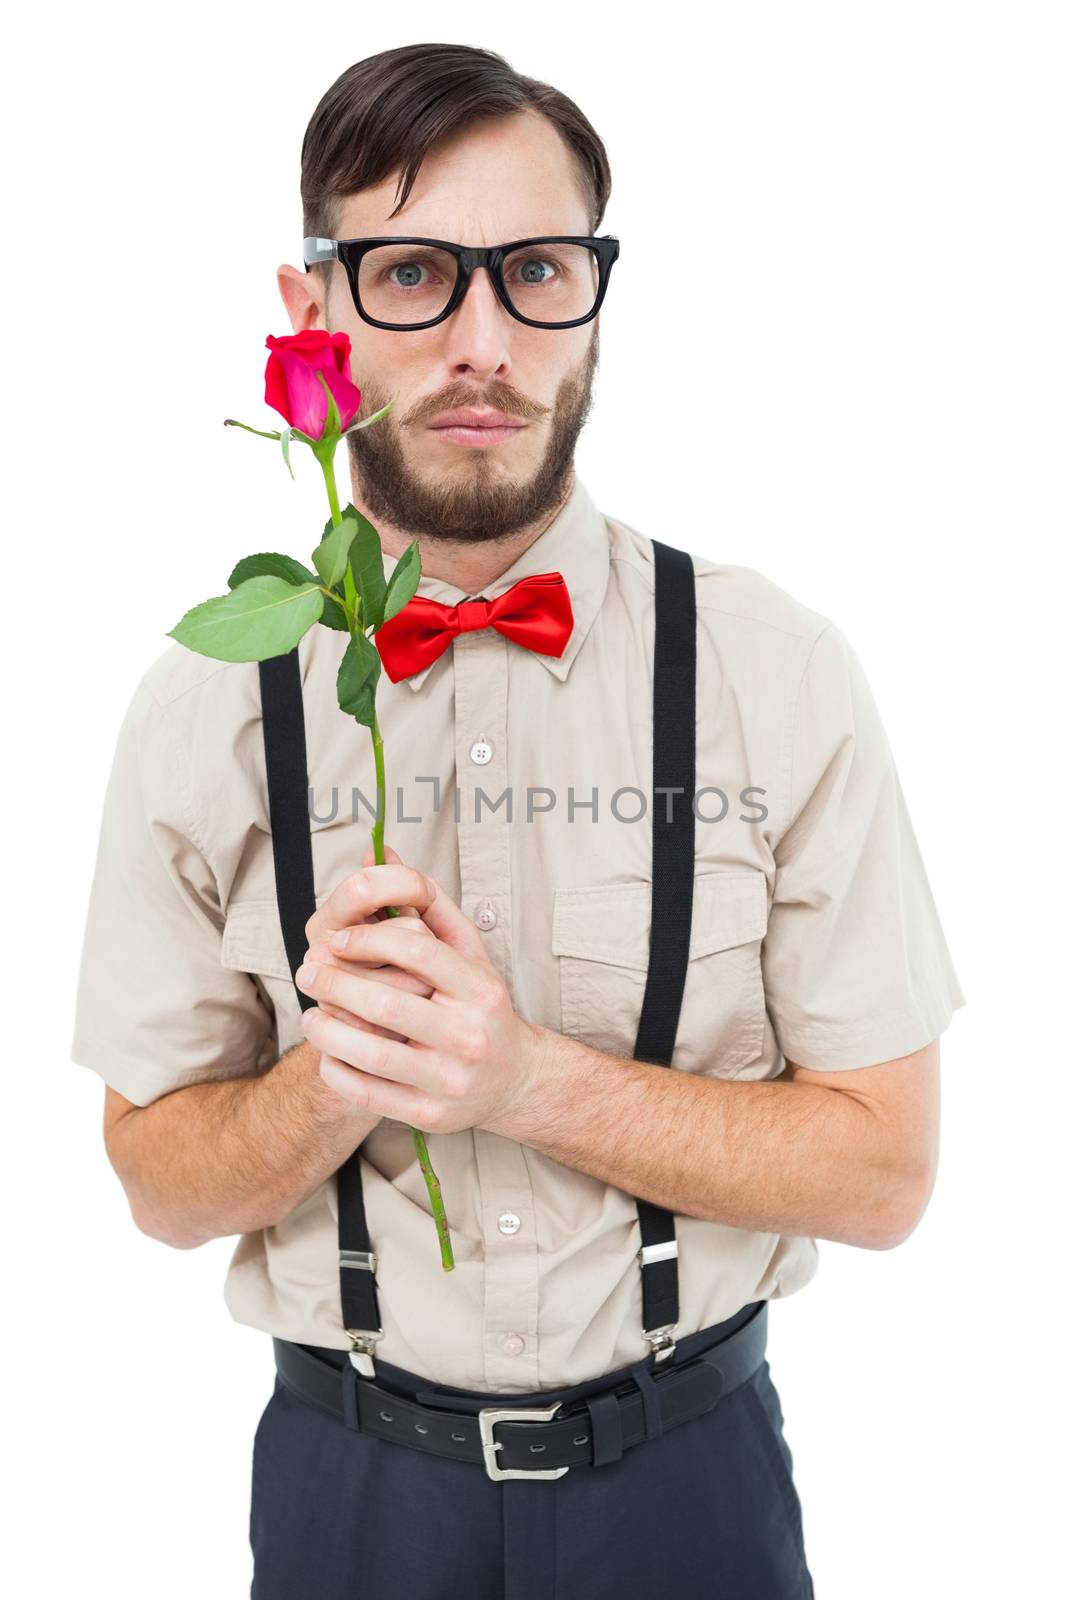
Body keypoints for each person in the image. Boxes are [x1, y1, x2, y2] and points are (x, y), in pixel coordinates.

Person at [70, 42, 965, 1600]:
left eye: (537, 271)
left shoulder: (777, 670)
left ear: (594, 307)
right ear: (314, 314)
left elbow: (884, 1175)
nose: (483, 342)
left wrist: (522, 1078)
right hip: (353, 1499)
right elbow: (158, 1184)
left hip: (690, 1487)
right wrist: (326, 1087)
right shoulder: (207, 703)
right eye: (414, 272)